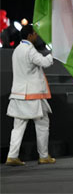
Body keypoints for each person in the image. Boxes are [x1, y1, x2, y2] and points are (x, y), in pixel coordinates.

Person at [5, 25, 56, 166]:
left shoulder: (17, 50)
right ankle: (44, 156)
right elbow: (45, 62)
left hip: (18, 94)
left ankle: (12, 156)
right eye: (35, 34)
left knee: (18, 127)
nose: (36, 36)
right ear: (29, 36)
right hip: (31, 95)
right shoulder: (29, 50)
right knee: (42, 124)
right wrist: (54, 54)